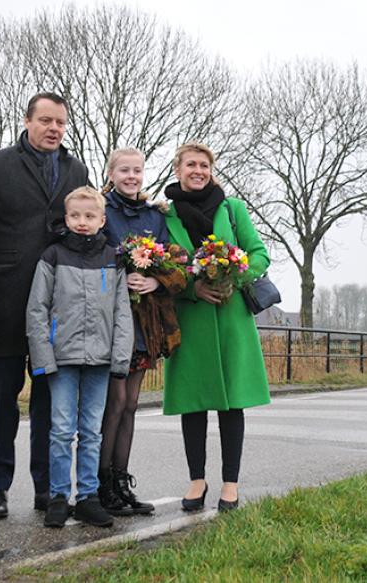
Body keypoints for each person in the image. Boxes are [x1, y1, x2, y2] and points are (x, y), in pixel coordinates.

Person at [0, 92, 90, 518]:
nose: (54, 128)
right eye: (45, 120)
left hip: (57, 307)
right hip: (4, 302)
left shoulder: (77, 169)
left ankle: (46, 487)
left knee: (50, 403)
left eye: (60, 121)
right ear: (26, 121)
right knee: (0, 401)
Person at [161, 142, 271, 512]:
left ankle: (230, 484)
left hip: (230, 319)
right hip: (189, 320)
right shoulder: (166, 214)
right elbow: (163, 267)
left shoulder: (233, 209)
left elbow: (259, 253)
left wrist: (235, 276)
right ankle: (197, 480)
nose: (198, 170)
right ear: (177, 169)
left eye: (204, 165)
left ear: (212, 169)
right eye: (191, 164)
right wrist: (194, 287)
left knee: (231, 404)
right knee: (194, 403)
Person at [25, 186, 132, 528]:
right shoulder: (52, 256)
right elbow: (37, 309)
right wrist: (44, 357)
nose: (82, 222)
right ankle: (59, 496)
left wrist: (120, 359)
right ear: (66, 218)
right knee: (60, 430)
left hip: (100, 360)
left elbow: (121, 313)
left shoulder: (113, 258)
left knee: (91, 431)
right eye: (75, 216)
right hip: (63, 359)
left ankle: (87, 496)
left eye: (89, 216)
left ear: (102, 220)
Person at [98, 148, 185, 516]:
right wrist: (121, 274)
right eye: (124, 171)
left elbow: (176, 264)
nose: (131, 177)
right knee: (113, 403)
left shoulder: (155, 216)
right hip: (111, 321)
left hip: (143, 322)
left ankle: (122, 481)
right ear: (112, 173)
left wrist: (154, 280)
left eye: (137, 171)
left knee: (131, 404)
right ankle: (101, 485)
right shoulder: (102, 210)